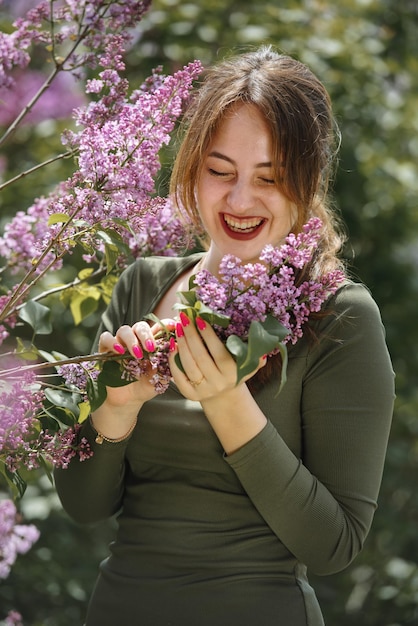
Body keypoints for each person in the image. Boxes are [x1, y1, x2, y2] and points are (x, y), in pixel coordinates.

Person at [54, 46, 395, 626]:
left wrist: (224, 399)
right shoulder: (143, 286)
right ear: (190, 167)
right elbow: (84, 506)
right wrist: (116, 406)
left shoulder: (341, 317)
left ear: (309, 180)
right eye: (219, 171)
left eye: (271, 177)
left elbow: (334, 545)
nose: (239, 201)